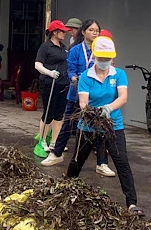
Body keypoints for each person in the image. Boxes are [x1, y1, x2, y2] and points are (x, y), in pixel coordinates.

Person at [66, 36, 143, 215]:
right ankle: (65, 189)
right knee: (77, 160)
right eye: (100, 58)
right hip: (88, 126)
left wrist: (108, 108)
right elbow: (83, 103)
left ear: (112, 58)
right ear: (94, 56)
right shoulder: (85, 77)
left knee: (122, 162)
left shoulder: (119, 74)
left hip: (113, 124)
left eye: (107, 59)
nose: (103, 62)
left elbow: (123, 97)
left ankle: (131, 203)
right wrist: (93, 112)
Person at [42, 19, 114, 177]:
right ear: (83, 32)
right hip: (76, 94)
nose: (94, 33)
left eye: (97, 30)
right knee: (67, 125)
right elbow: (70, 70)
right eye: (91, 30)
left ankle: (102, 163)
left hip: (97, 96)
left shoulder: (102, 49)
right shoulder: (75, 50)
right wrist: (75, 78)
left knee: (101, 127)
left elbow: (108, 68)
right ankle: (56, 153)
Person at [34, 20, 72, 156]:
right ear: (55, 32)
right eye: (62, 31)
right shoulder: (46, 47)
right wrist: (49, 72)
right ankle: (42, 140)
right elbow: (37, 65)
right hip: (49, 83)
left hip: (63, 83)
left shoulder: (63, 47)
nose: (64, 34)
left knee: (59, 113)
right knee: (49, 112)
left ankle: (55, 142)